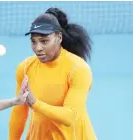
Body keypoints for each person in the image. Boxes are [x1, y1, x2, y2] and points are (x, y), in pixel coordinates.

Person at [9, 7, 97, 140]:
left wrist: (35, 103)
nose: (38, 48)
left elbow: (70, 116)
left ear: (59, 37)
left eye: (44, 41)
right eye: (33, 41)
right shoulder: (25, 67)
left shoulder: (78, 69)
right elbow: (19, 113)